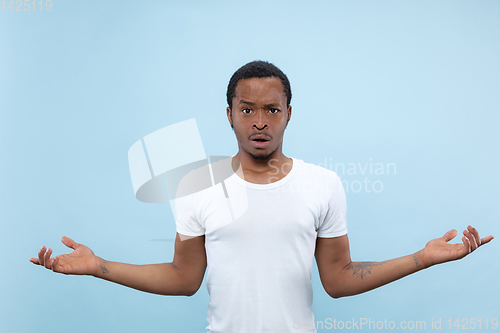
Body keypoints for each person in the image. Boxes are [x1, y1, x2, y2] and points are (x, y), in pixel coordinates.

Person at [30, 60, 494, 333]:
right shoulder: (196, 185)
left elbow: (339, 278)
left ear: (289, 114)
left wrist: (422, 258)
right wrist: (100, 267)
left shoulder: (323, 184)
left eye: (271, 109)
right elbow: (183, 277)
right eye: (246, 109)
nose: (259, 121)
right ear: (228, 114)